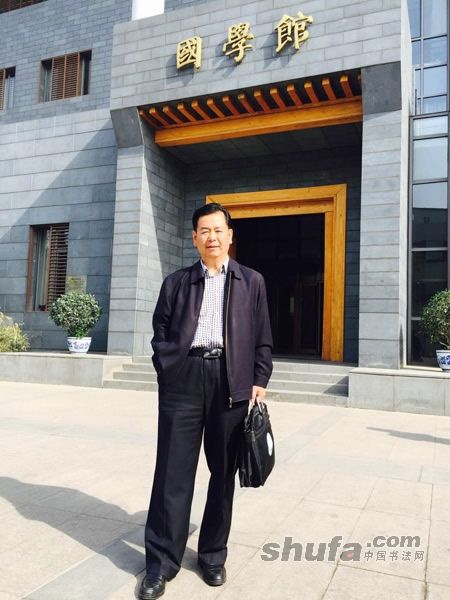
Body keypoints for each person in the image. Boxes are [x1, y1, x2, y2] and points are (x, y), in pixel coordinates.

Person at [139, 202, 273, 599]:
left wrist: (259, 379)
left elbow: (263, 335)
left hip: (230, 382)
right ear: (194, 238)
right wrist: (168, 369)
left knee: (223, 472)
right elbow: (160, 330)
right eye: (204, 231)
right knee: (171, 472)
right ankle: (161, 562)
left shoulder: (252, 281)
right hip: (183, 380)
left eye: (218, 230)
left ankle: (213, 555)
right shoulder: (176, 282)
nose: (211, 237)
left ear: (230, 236)